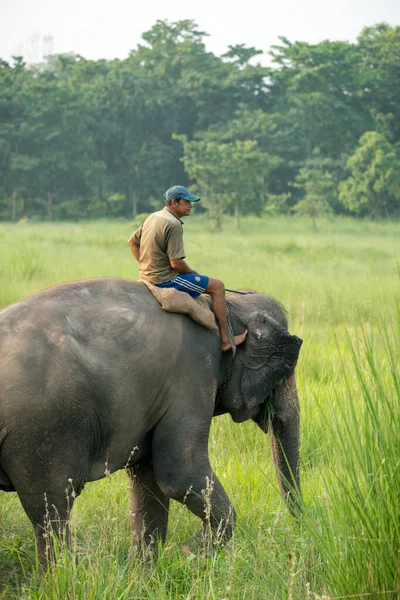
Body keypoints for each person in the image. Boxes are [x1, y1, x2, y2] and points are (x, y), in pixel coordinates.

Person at [127, 185, 247, 352]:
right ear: (174, 203)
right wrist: (192, 272)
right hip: (166, 280)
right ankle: (226, 340)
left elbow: (132, 243)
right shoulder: (173, 223)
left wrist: (146, 266)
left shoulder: (153, 217)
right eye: (187, 202)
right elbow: (176, 263)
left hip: (146, 276)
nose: (190, 205)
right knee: (218, 287)